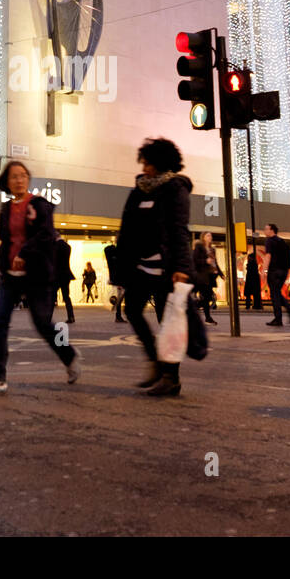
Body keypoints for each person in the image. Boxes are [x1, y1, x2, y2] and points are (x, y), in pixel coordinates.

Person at [0, 161, 79, 394]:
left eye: (23, 175)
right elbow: (5, 240)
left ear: (28, 179)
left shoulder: (39, 205)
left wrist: (24, 253)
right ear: (7, 182)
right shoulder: (6, 208)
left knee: (42, 323)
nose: (19, 180)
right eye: (14, 177)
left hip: (37, 275)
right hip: (10, 277)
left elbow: (45, 234)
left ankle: (69, 355)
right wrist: (4, 262)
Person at [114, 138, 199, 397]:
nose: (145, 168)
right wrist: (120, 268)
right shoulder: (138, 190)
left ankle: (170, 378)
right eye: (144, 163)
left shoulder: (175, 189)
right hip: (140, 268)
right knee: (132, 311)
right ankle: (155, 361)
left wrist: (183, 267)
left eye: (150, 163)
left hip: (167, 269)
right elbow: (125, 230)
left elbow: (179, 230)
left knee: (167, 322)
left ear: (162, 164)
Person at [262, 223, 290, 326]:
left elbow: (268, 256)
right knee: (277, 293)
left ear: (272, 230)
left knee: (274, 295)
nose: (264, 231)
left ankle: (278, 319)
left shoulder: (269, 241)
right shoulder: (282, 242)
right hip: (283, 271)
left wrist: (264, 270)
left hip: (274, 271)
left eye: (266, 229)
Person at [192, 232, 221, 325]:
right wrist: (205, 261)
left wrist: (221, 273)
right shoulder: (199, 247)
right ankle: (207, 317)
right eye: (208, 235)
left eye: (211, 235)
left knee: (207, 297)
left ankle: (203, 315)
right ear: (203, 237)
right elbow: (194, 260)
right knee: (206, 297)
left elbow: (215, 263)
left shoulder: (212, 249)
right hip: (202, 276)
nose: (210, 237)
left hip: (211, 276)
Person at [54, 236, 76, 323]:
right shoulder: (68, 246)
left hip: (57, 275)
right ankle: (71, 316)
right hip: (66, 275)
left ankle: (47, 318)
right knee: (66, 297)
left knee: (51, 297)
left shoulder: (54, 246)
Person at [103, 243, 125, 322]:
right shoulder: (115, 257)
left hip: (116, 279)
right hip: (119, 279)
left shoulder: (111, 257)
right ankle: (118, 316)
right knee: (119, 298)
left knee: (119, 297)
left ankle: (118, 316)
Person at [244, 247, 262, 311]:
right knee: (254, 294)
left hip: (250, 281)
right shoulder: (255, 265)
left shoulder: (250, 265)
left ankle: (248, 305)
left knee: (248, 294)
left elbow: (249, 273)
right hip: (254, 281)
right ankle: (255, 305)